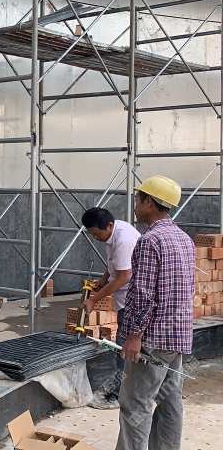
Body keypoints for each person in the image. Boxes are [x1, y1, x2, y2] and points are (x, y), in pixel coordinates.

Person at [116, 175, 195, 450]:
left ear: (149, 202)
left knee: (135, 403)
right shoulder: (184, 239)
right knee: (169, 399)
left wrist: (134, 335)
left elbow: (143, 294)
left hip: (152, 338)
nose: (135, 206)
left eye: (138, 200)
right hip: (177, 336)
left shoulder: (149, 241)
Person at [81, 207, 141, 410]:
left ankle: (118, 396)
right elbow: (113, 263)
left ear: (109, 225)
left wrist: (93, 300)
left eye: (97, 233)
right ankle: (127, 390)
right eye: (92, 234)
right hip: (126, 299)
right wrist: (103, 280)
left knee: (124, 349)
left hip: (131, 301)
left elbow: (122, 277)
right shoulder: (114, 232)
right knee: (124, 348)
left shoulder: (124, 240)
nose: (96, 238)